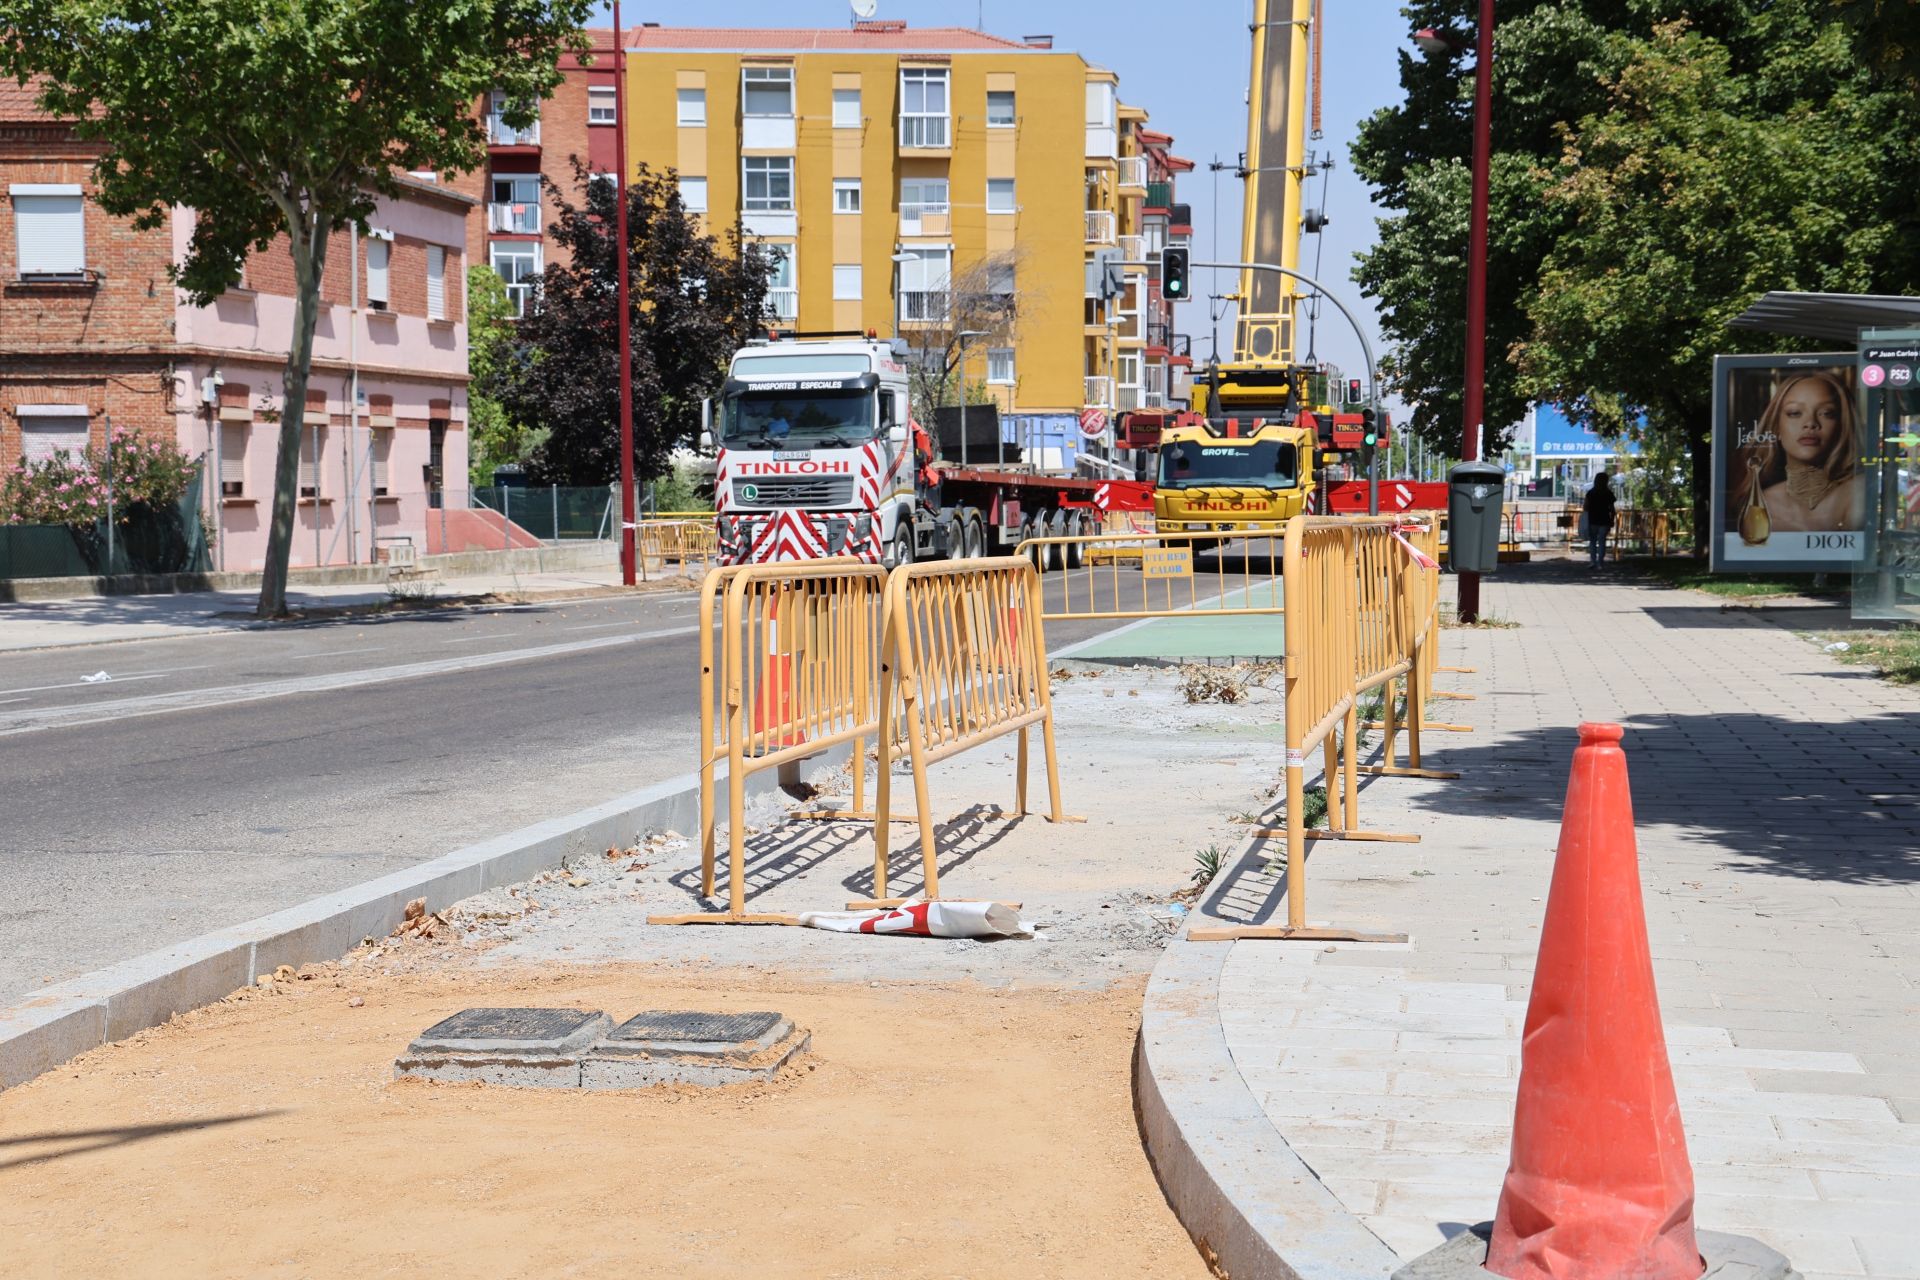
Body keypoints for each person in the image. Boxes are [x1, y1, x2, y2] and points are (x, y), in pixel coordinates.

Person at [1729, 370, 1863, 534]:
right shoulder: (1763, 502)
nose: (1810, 423)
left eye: (1827, 413)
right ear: (1777, 426)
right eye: (1794, 413)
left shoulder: (1857, 492)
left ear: (1843, 425)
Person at [1583, 470, 1617, 567]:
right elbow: (1612, 509)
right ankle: (1600, 562)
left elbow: (1585, 507)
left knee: (1593, 541)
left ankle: (1593, 561)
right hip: (1605, 520)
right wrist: (1612, 520)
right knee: (1602, 541)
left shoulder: (1590, 493)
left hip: (1592, 520)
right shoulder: (1609, 493)